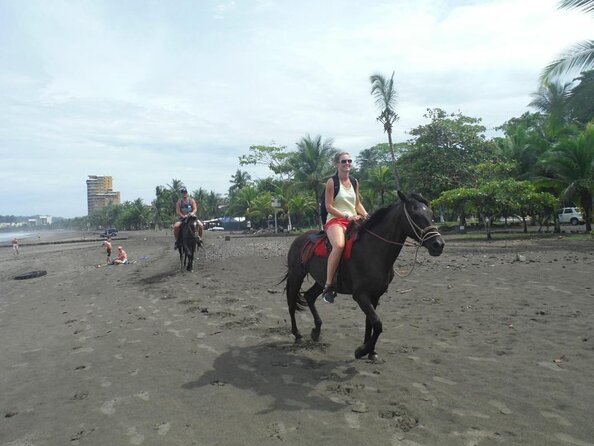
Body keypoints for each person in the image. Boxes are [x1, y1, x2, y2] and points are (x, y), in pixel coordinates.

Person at [322, 152, 369, 304]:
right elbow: (328, 206)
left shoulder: (354, 181)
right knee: (339, 245)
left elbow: (356, 204)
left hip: (354, 220)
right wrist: (347, 216)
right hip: (335, 220)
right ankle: (328, 285)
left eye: (349, 160)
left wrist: (366, 214)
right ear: (337, 164)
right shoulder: (332, 182)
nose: (347, 163)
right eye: (343, 161)